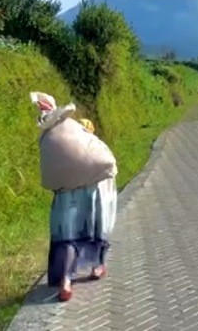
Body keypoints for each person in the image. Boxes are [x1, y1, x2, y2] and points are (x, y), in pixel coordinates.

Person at [30, 92, 118, 302]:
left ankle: (66, 280)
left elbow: (50, 175)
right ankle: (98, 266)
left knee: (68, 234)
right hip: (95, 183)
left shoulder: (47, 138)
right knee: (97, 225)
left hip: (69, 192)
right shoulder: (75, 126)